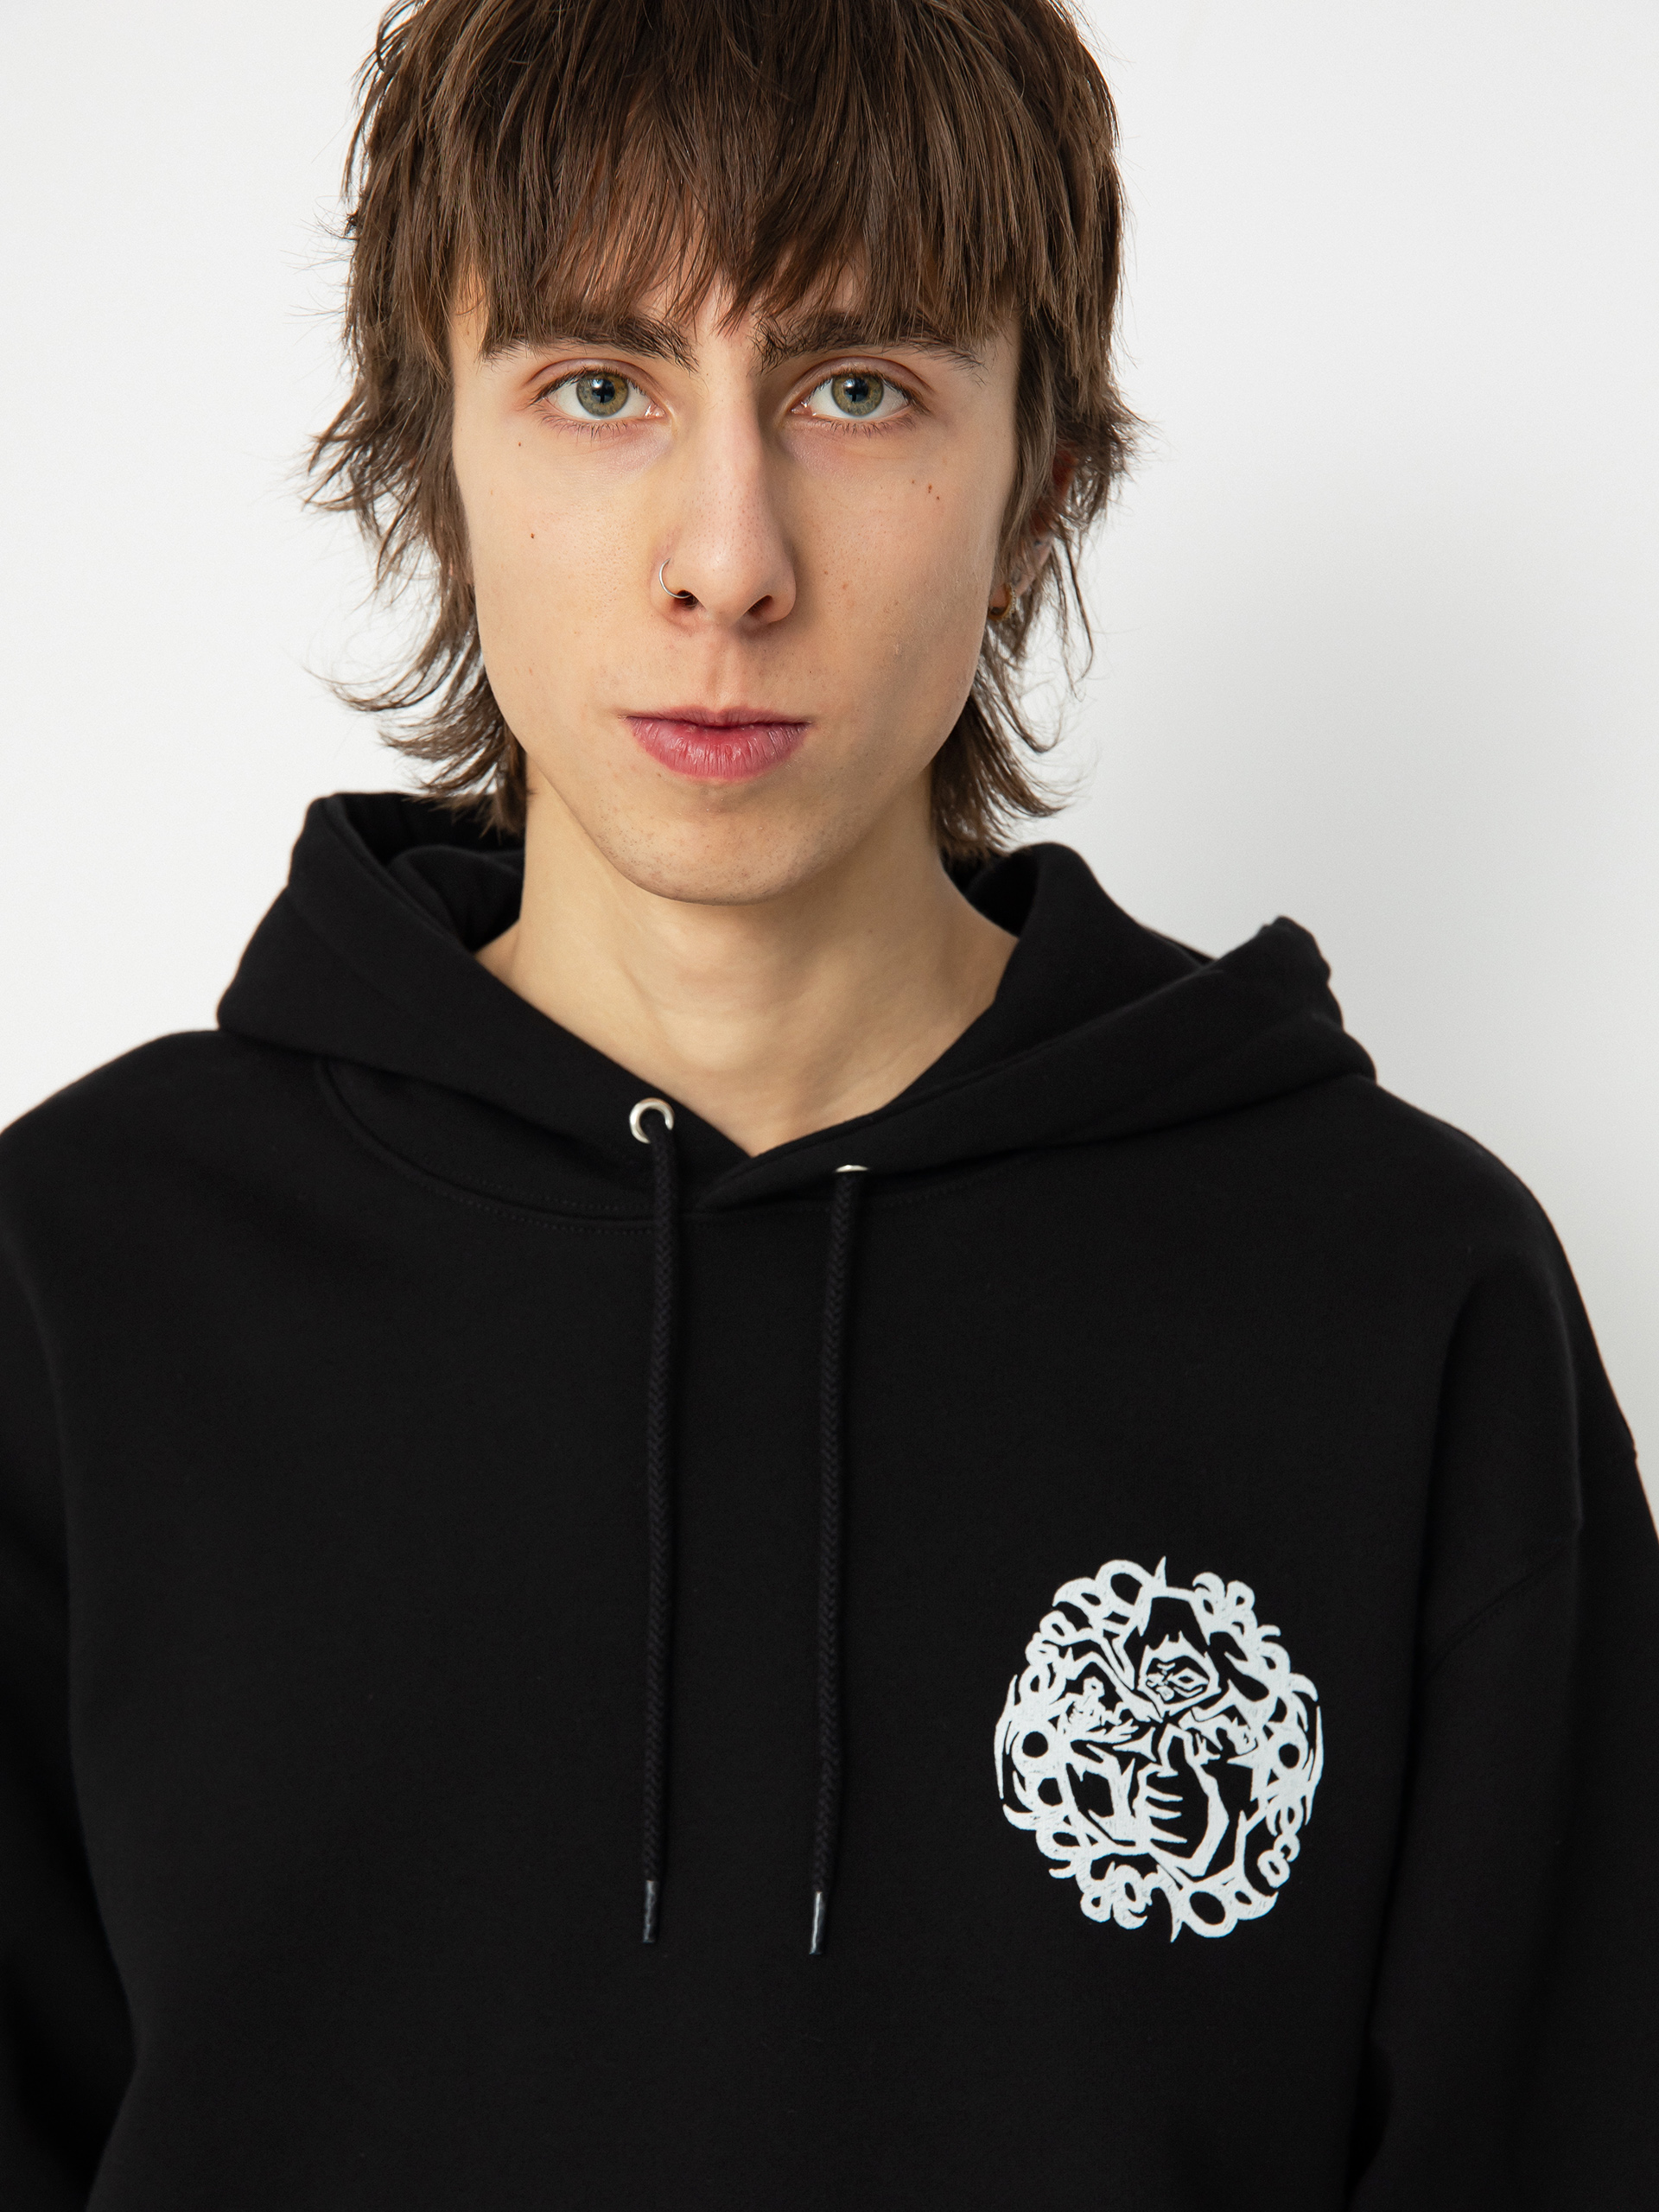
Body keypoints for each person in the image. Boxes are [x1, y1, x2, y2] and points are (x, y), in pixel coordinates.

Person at [1, 0, 1654, 2204]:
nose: (728, 558)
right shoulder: (82, 1285)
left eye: (856, 387)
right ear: (434, 455)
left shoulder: (1405, 1304)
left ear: (1038, 478)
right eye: (601, 386)